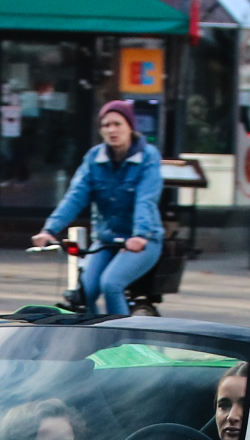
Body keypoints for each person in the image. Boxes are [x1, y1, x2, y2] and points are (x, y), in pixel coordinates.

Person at [30, 101, 164, 317]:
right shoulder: (94, 158)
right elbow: (75, 196)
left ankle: (125, 341)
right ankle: (95, 338)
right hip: (107, 240)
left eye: (117, 124)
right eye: (106, 125)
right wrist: (50, 230)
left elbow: (145, 200)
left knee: (111, 284)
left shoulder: (147, 157)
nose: (112, 130)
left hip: (144, 240)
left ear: (130, 126)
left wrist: (139, 235)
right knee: (85, 292)